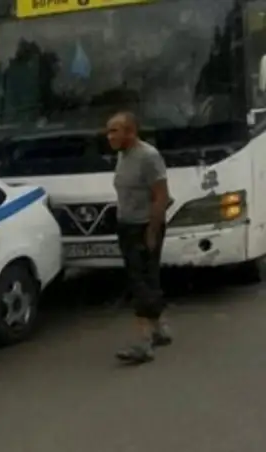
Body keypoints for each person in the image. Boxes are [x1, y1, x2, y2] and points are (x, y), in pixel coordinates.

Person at [106, 111, 173, 364]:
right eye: (108, 131)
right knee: (147, 277)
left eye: (115, 131)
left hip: (144, 226)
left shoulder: (148, 156)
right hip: (127, 225)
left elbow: (161, 196)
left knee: (139, 281)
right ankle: (159, 330)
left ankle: (143, 342)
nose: (109, 136)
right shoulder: (123, 155)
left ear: (131, 132)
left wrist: (152, 232)